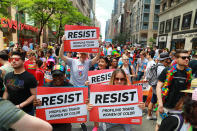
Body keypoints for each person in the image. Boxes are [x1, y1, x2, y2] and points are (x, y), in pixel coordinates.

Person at [156, 49, 192, 131]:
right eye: (183, 57)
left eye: (188, 57)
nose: (186, 59)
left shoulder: (188, 72)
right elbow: (158, 86)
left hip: (180, 109)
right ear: (176, 58)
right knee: (160, 126)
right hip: (166, 107)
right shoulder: (167, 70)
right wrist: (160, 103)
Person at [33, 65, 73, 131]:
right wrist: (36, 103)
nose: (58, 78)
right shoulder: (45, 87)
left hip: (64, 124)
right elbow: (37, 106)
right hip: (48, 124)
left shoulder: (70, 87)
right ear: (52, 76)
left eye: (60, 75)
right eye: (55, 75)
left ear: (64, 75)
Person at [3, 51, 37, 115]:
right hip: (10, 110)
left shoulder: (30, 77)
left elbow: (34, 95)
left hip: (26, 112)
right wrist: (4, 103)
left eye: (17, 59)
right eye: (11, 59)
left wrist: (20, 106)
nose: (13, 61)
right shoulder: (8, 76)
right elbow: (6, 91)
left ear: (23, 61)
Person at [146, 52, 171, 120]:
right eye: (168, 59)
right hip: (159, 88)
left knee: (152, 101)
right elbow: (163, 80)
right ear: (165, 60)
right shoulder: (162, 68)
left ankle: (149, 115)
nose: (169, 61)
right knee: (159, 104)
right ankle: (158, 119)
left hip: (154, 86)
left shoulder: (156, 65)